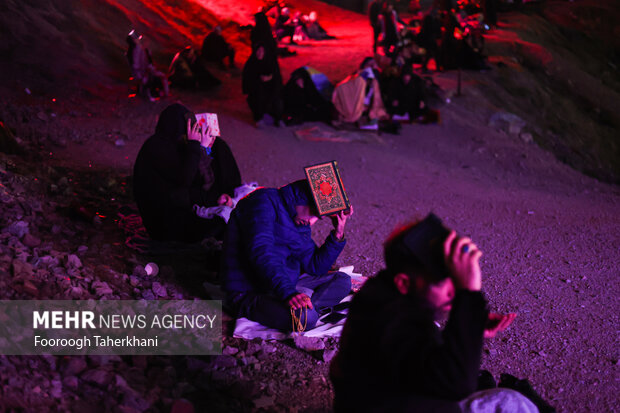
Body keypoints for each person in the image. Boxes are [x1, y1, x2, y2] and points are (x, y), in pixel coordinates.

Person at [330, 214, 544, 412]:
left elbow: (417, 352)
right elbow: (456, 383)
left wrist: (469, 322)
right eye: (444, 282)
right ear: (404, 282)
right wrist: (468, 296)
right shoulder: (387, 320)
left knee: (490, 386)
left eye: (456, 281)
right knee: (513, 403)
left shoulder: (383, 294)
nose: (454, 290)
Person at [221, 179, 354, 332]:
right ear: (302, 199)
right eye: (314, 213)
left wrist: (338, 233)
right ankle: (306, 310)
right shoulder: (263, 201)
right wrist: (288, 293)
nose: (312, 221)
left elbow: (315, 266)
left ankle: (307, 307)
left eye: (319, 217)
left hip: (282, 284)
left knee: (342, 280)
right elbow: (262, 252)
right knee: (306, 319)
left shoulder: (300, 222)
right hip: (249, 290)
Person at [133, 103, 241, 242]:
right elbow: (186, 182)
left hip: (180, 205)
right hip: (164, 223)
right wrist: (198, 147)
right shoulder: (157, 149)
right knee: (221, 223)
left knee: (219, 146)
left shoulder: (175, 145)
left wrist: (204, 149)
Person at [332, 57, 388, 130]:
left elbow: (376, 100)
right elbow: (344, 88)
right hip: (354, 103)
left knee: (379, 111)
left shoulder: (374, 82)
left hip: (366, 106)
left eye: (373, 65)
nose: (372, 66)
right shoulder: (358, 77)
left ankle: (372, 122)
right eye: (370, 65)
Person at [242, 43, 283, 127]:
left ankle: (277, 118)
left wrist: (270, 78)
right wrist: (258, 79)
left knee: (276, 98)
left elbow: (277, 77)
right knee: (258, 96)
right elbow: (247, 77)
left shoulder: (271, 61)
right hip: (256, 88)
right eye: (258, 50)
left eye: (262, 51)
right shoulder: (252, 62)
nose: (260, 53)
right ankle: (258, 118)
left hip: (270, 87)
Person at [126, 30, 169, 100]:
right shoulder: (136, 49)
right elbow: (136, 65)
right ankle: (153, 93)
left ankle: (158, 93)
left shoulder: (138, 50)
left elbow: (147, 62)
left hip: (142, 72)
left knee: (158, 77)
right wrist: (146, 72)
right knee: (156, 78)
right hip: (140, 73)